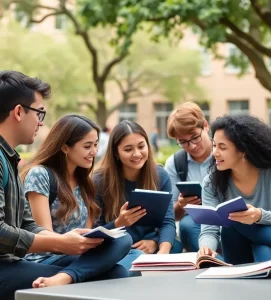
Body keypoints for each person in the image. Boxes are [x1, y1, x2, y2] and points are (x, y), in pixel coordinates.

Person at [0, 71, 130, 300]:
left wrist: (73, 238)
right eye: (39, 112)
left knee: (120, 252)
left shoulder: (10, 159)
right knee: (107, 277)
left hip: (15, 263)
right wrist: (61, 242)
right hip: (6, 267)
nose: (42, 121)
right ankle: (65, 278)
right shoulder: (25, 169)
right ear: (19, 112)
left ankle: (64, 278)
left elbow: (28, 225)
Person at [21, 114, 132, 285]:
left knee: (124, 240)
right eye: (87, 146)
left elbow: (86, 232)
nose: (94, 152)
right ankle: (64, 278)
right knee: (117, 273)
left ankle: (64, 278)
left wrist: (115, 226)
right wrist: (70, 243)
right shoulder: (40, 174)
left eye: (96, 145)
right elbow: (42, 233)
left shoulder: (85, 182)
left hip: (76, 257)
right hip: (45, 258)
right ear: (65, 147)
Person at [198, 114, 271, 265]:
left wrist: (258, 215)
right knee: (233, 219)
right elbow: (209, 230)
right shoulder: (211, 182)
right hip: (237, 248)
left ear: (243, 150)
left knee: (264, 250)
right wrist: (206, 248)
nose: (214, 153)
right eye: (214, 145)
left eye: (222, 147)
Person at [93, 120, 182, 276]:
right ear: (116, 153)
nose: (137, 154)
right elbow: (95, 232)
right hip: (115, 247)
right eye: (128, 149)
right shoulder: (99, 181)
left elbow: (168, 221)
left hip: (150, 244)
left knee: (175, 246)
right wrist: (118, 223)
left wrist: (160, 251)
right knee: (122, 271)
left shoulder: (160, 175)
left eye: (141, 146)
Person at [165, 101, 212, 252]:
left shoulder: (225, 153)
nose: (191, 146)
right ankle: (214, 262)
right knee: (186, 226)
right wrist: (181, 205)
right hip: (197, 222)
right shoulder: (175, 164)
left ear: (205, 125)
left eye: (195, 137)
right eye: (183, 142)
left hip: (230, 219)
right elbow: (171, 215)